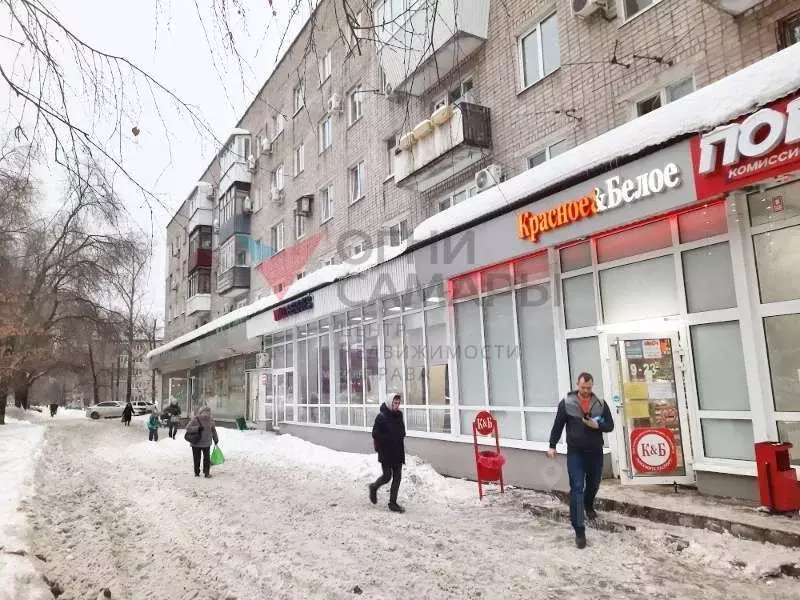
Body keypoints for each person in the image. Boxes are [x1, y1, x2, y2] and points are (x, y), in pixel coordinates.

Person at [547, 372, 614, 549]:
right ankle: (579, 531)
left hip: (595, 452)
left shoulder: (600, 404)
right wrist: (552, 445)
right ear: (578, 385)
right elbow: (558, 425)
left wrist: (597, 425)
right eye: (583, 387)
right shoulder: (567, 403)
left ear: (592, 386)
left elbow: (611, 426)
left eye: (589, 387)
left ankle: (588, 505)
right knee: (577, 488)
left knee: (593, 485)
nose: (585, 390)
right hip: (575, 453)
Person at [368, 393, 406, 513]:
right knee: (387, 476)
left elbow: (402, 431)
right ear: (390, 402)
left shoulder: (399, 415)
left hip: (398, 451)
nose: (397, 405)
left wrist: (400, 435)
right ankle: (373, 487)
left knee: (397, 477)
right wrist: (388, 437)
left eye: (398, 403)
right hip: (386, 452)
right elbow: (375, 433)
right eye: (395, 403)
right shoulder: (382, 417)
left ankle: (393, 503)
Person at [184, 407, 219, 478]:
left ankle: (197, 473)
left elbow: (187, 428)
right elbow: (213, 430)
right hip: (202, 443)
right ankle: (206, 473)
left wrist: (196, 428)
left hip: (197, 443)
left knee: (197, 458)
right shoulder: (199, 419)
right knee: (206, 458)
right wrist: (215, 439)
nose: (206, 415)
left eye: (208, 413)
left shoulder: (199, 419)